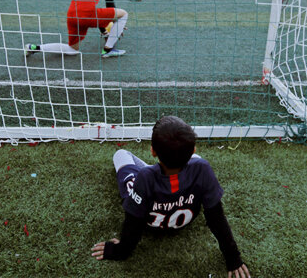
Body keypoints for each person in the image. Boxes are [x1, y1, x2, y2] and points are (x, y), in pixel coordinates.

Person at [90, 115, 251, 278]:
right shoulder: (201, 168)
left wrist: (121, 250)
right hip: (183, 217)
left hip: (150, 215)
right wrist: (233, 257)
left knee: (121, 153)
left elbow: (133, 222)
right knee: (196, 162)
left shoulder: (145, 177)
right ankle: (171, 164)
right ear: (193, 149)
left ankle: (162, 167)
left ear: (153, 151)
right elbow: (216, 217)